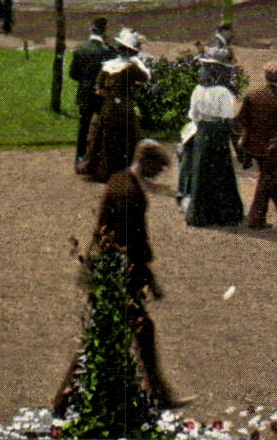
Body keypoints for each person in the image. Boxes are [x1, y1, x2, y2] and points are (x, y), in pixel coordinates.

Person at [54, 140, 177, 414]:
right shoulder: (128, 191)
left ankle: (159, 393)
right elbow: (129, 239)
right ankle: (159, 394)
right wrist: (146, 276)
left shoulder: (121, 181)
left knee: (124, 331)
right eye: (157, 168)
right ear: (146, 161)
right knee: (131, 331)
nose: (157, 174)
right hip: (115, 270)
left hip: (110, 268)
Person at [178, 51, 245, 228]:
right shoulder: (224, 92)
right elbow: (228, 117)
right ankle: (223, 214)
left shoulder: (198, 89)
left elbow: (194, 115)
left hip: (202, 132)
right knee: (221, 172)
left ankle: (200, 214)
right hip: (218, 133)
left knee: (201, 172)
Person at [78, 28, 152, 183]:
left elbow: (99, 89)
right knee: (126, 136)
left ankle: (105, 169)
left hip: (109, 105)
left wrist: (109, 93)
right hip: (123, 105)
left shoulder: (108, 66)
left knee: (105, 135)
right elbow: (146, 78)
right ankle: (124, 169)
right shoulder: (132, 67)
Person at [234, 61, 277, 231]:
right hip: (271, 148)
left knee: (270, 179)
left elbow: (240, 121)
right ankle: (256, 219)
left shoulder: (252, 96)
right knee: (266, 179)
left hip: (253, 145)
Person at [69, 17, 112, 163]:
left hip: (85, 94)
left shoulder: (80, 49)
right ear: (104, 31)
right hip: (101, 95)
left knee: (84, 127)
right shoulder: (107, 50)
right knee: (103, 127)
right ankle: (101, 158)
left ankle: (80, 158)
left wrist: (84, 80)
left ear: (91, 30)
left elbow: (73, 74)